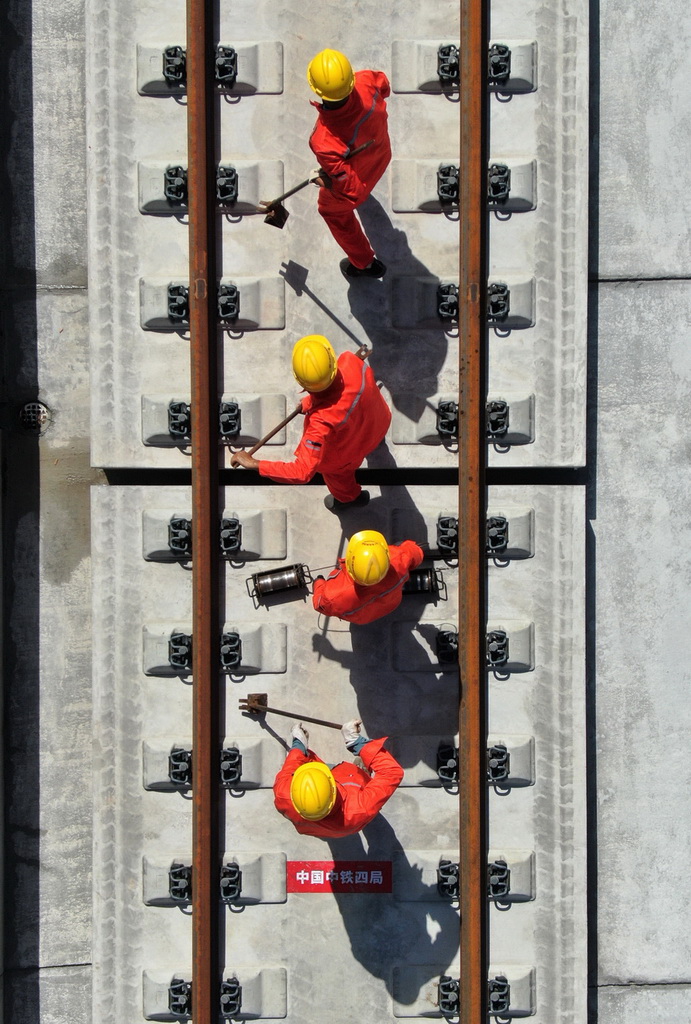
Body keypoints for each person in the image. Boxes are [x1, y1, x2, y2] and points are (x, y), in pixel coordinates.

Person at [230, 335, 391, 512]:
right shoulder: (350, 360)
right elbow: (341, 394)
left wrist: (255, 464)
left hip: (345, 457)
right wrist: (311, 403)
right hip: (378, 423)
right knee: (367, 438)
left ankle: (351, 498)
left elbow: (302, 472)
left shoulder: (320, 424)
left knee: (339, 479)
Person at [306, 48, 391, 279]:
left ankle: (364, 263)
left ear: (316, 89)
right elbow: (384, 85)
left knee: (332, 212)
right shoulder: (366, 81)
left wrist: (327, 181)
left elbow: (351, 191)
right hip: (381, 156)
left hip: (360, 178)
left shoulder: (324, 140)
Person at [273, 718, 404, 838]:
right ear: (332, 786)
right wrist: (356, 742)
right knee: (364, 785)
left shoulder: (284, 794)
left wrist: (299, 744)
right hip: (349, 820)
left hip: (312, 827)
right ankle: (363, 773)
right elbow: (391, 772)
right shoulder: (359, 808)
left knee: (308, 764)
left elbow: (290, 767)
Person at [312, 530, 424, 624]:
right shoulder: (398, 559)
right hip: (391, 605)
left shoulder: (332, 595)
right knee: (400, 545)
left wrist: (318, 582)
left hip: (362, 619)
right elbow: (416, 553)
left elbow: (319, 603)